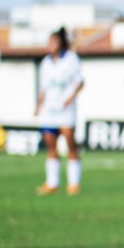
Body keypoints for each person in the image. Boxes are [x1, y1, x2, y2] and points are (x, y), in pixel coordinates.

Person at [35, 27, 84, 195]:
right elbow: (43, 88)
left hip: (66, 110)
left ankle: (73, 183)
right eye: (49, 42)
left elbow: (80, 82)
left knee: (70, 145)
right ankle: (52, 183)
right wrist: (38, 105)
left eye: (54, 42)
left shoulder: (71, 59)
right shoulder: (45, 63)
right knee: (50, 144)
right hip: (50, 110)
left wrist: (69, 100)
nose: (51, 45)